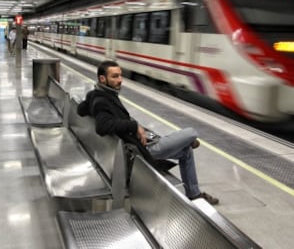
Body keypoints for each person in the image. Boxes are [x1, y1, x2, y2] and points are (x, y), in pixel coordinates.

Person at [77, 60, 219, 205]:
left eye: (120, 76)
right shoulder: (102, 100)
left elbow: (80, 109)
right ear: (102, 79)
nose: (120, 80)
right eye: (114, 76)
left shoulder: (97, 94)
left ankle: (194, 194)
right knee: (192, 132)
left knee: (186, 151)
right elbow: (102, 126)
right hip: (141, 150)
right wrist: (134, 126)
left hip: (137, 143)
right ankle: (192, 181)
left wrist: (89, 100)